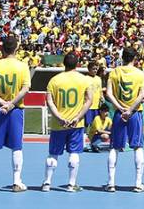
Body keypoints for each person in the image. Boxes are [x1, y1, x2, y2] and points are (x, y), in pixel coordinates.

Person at [0, 36, 31, 192]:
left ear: (1, 49)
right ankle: (17, 181)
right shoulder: (23, 67)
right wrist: (10, 104)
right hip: (15, 109)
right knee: (17, 147)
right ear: (16, 49)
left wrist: (2, 103)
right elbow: (25, 89)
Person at [43, 52, 92, 192]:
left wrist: (58, 117)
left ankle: (47, 183)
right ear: (77, 63)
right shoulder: (84, 80)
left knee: (53, 154)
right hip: (76, 124)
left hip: (58, 124)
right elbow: (89, 100)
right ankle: (71, 184)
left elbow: (50, 101)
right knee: (74, 153)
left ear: (63, 63)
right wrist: (77, 117)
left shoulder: (54, 80)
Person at [105, 47, 144, 192]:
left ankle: (111, 183)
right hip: (135, 113)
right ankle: (138, 183)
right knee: (137, 146)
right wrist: (130, 110)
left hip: (119, 113)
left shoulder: (114, 73)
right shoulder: (140, 74)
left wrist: (120, 108)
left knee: (114, 147)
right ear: (135, 58)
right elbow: (141, 95)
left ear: (122, 57)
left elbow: (109, 94)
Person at [84, 62, 104, 128]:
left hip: (97, 106)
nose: (95, 70)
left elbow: (100, 90)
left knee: (95, 124)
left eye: (96, 69)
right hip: (88, 106)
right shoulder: (85, 78)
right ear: (89, 69)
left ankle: (93, 137)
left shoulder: (98, 79)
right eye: (93, 69)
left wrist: (102, 97)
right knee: (86, 124)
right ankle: (85, 137)